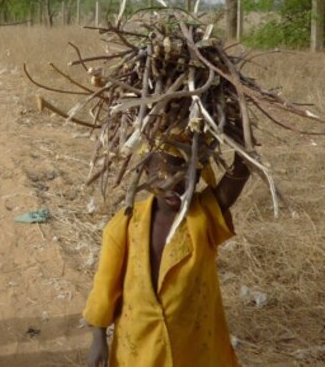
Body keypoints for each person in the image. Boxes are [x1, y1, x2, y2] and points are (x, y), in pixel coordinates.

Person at [83, 136, 251, 367]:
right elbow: (105, 285)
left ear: (197, 176)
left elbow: (233, 182)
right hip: (139, 349)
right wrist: (98, 338)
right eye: (164, 175)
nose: (174, 185)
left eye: (185, 176)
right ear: (145, 171)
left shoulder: (202, 217)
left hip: (193, 347)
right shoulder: (124, 225)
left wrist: (243, 141)